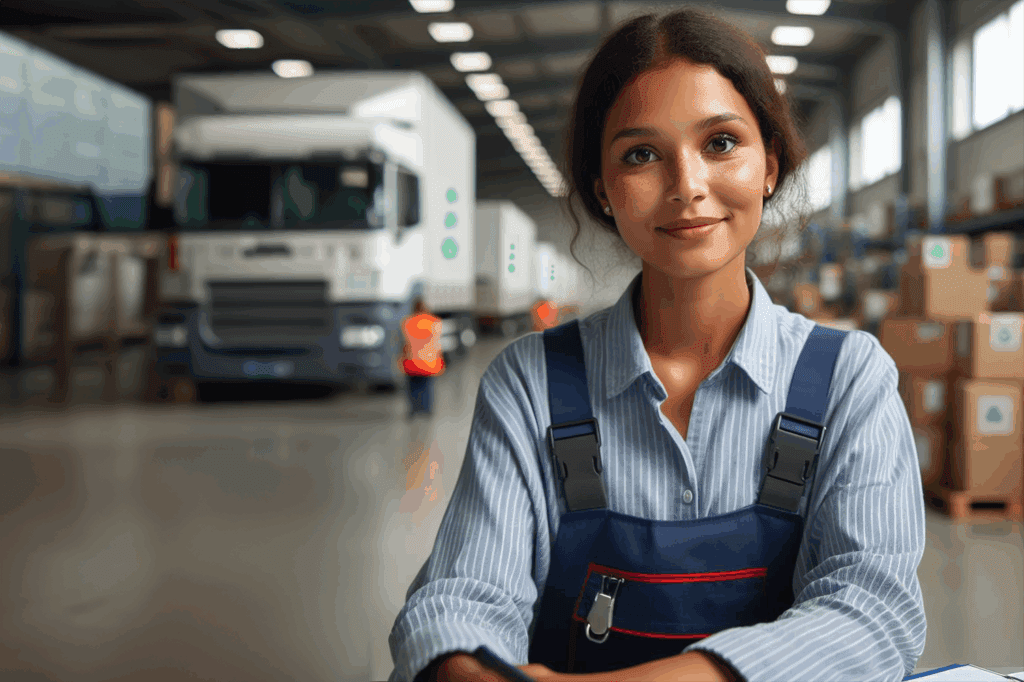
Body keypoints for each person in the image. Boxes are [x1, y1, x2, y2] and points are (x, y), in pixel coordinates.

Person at [387, 7, 925, 682]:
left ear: (770, 165)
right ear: (603, 191)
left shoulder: (850, 379)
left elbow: (873, 615)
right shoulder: (530, 385)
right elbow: (458, 600)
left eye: (721, 142)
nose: (687, 186)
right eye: (641, 155)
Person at [401, 297, 445, 418]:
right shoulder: (434, 322)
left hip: (412, 361)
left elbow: (404, 342)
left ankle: (414, 409)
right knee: (427, 387)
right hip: (429, 361)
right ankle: (427, 409)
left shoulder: (408, 322)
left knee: (413, 387)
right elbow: (437, 343)